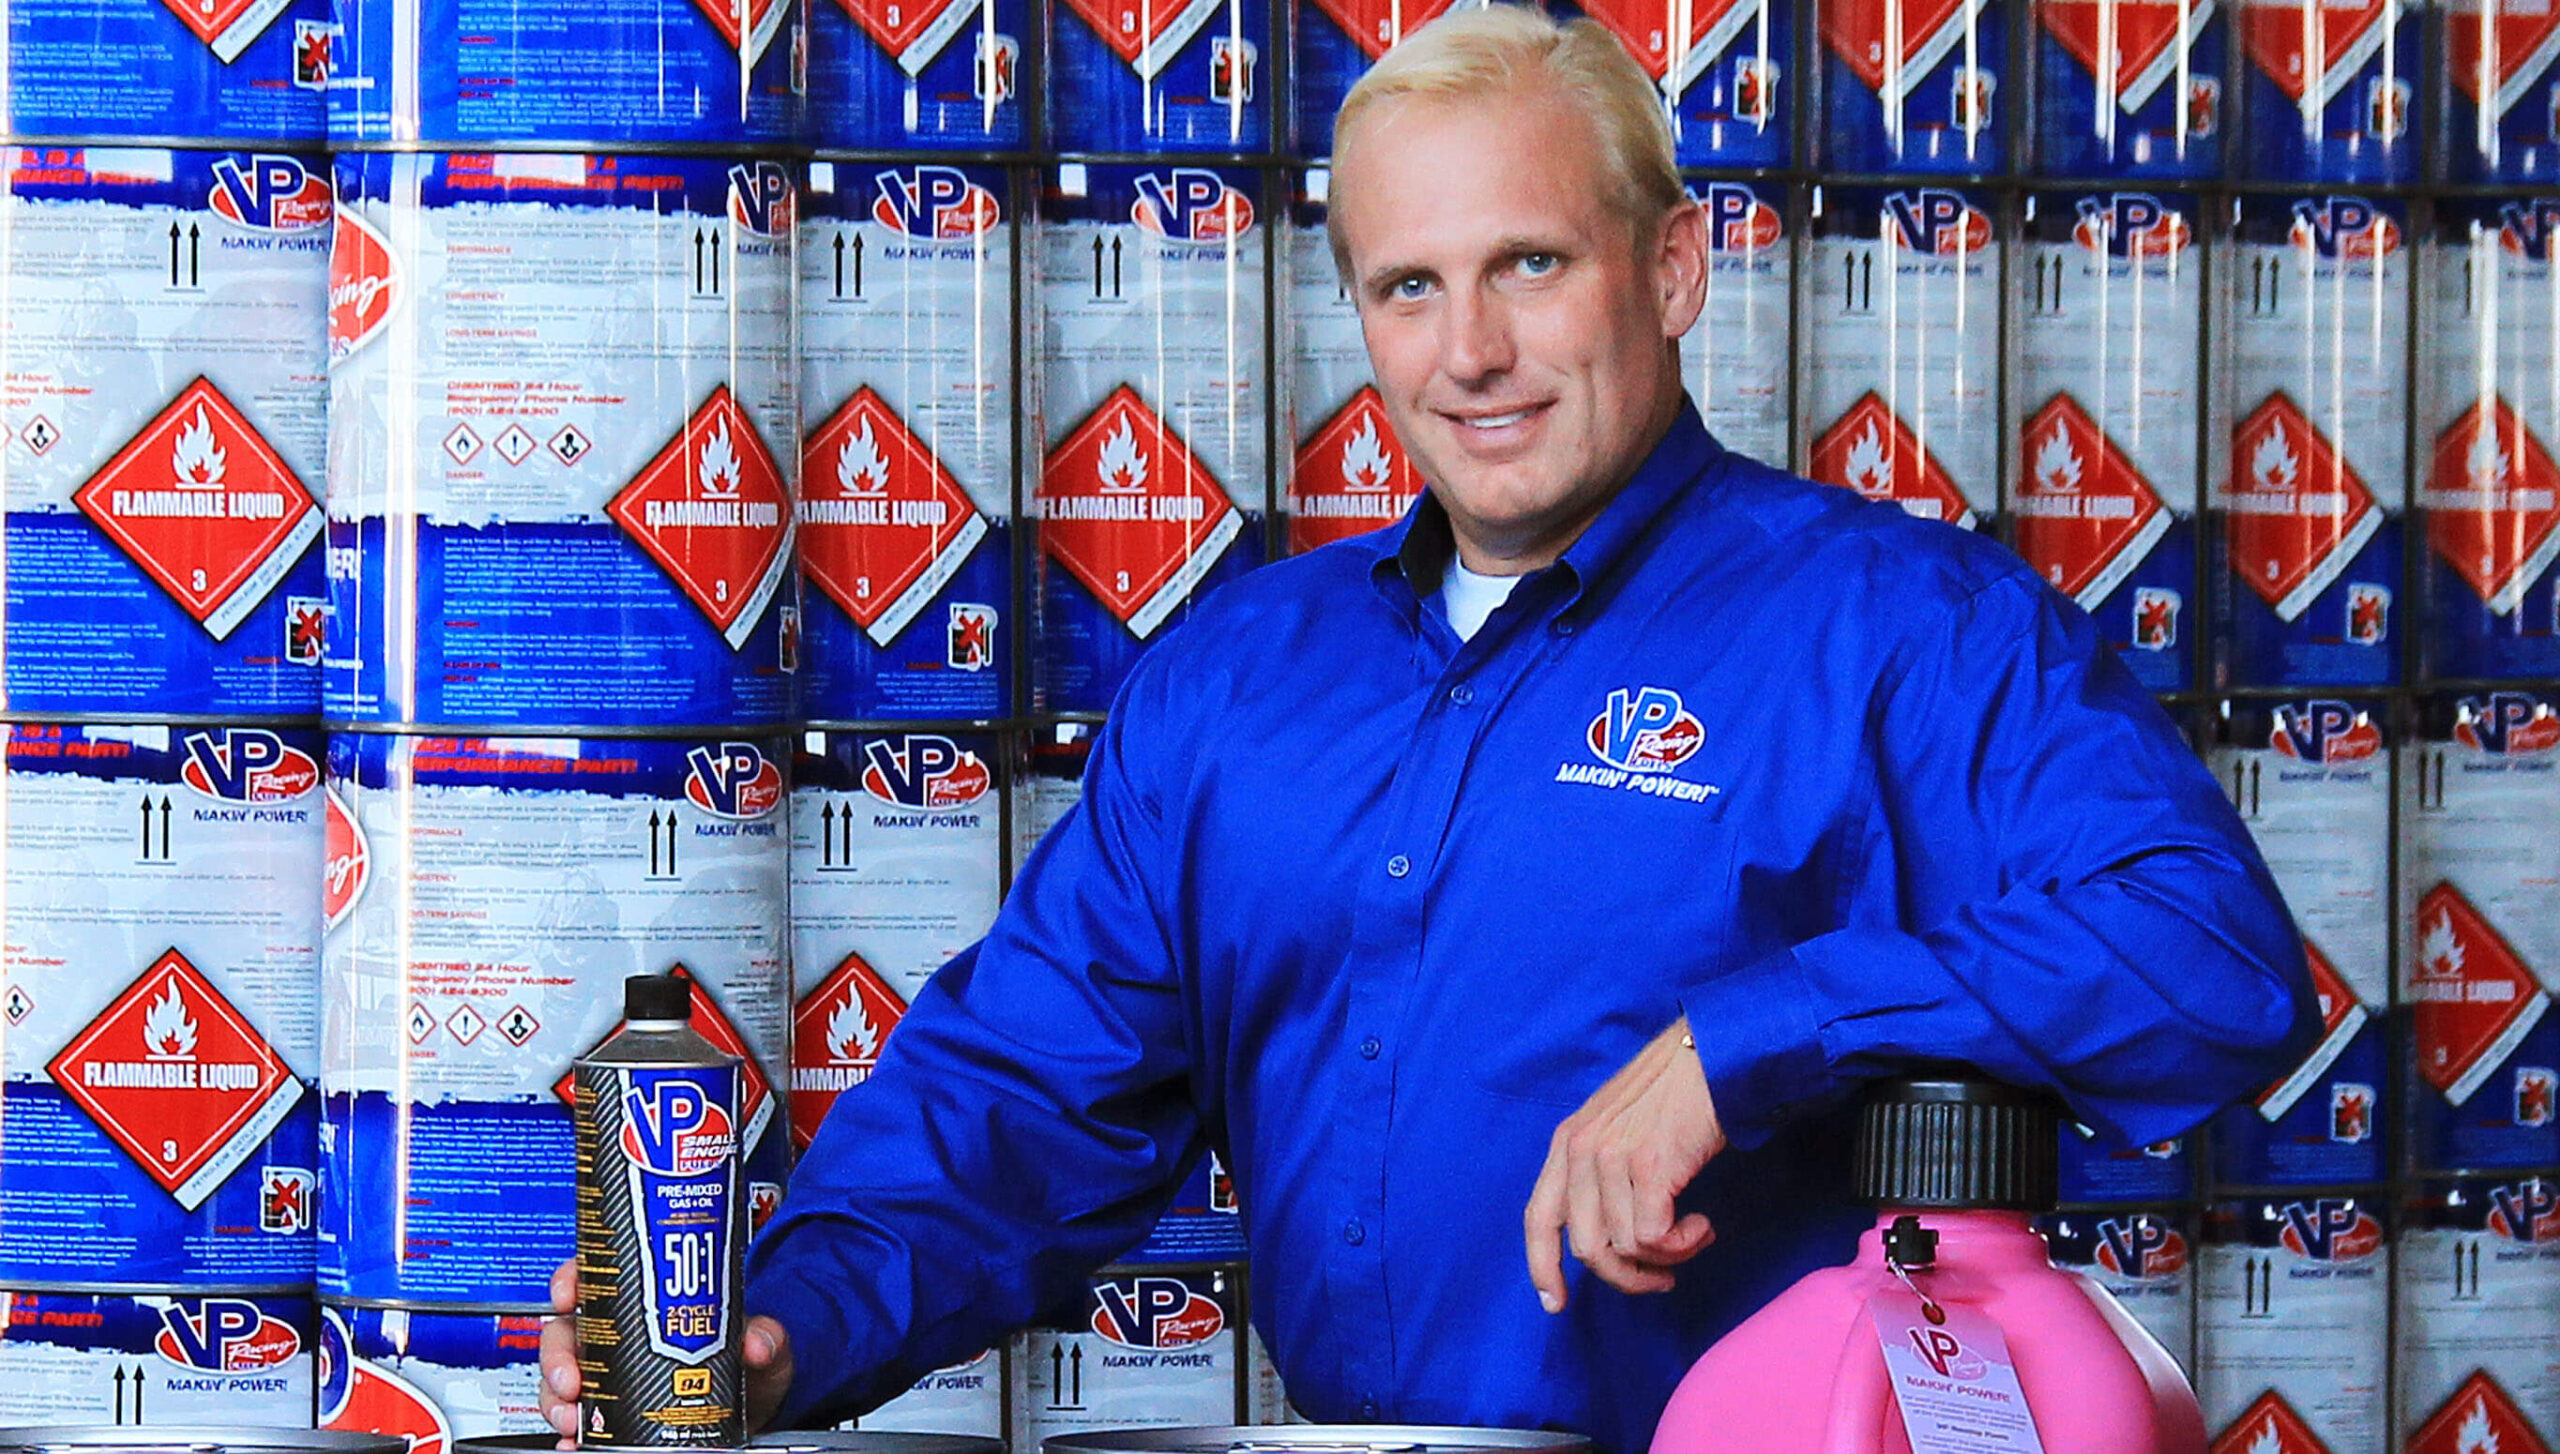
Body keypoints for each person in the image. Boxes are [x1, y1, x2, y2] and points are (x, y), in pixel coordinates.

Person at [541, 7, 2313, 1448]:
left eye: (1531, 264)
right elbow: (1019, 1093)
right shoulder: (1242, 679)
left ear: (1675, 270)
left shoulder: (1899, 630)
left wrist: (1751, 1039)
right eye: (1410, 285)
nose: (1471, 350)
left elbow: (2212, 954)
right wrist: (781, 1328)